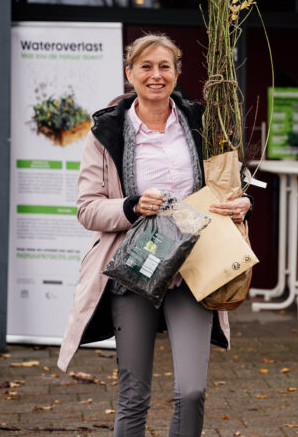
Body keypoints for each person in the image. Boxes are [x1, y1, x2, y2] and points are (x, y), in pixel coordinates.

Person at [57, 33, 252, 437]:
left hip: (195, 268)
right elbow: (86, 207)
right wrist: (131, 206)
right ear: (130, 73)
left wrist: (240, 204)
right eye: (145, 66)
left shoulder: (203, 123)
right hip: (136, 270)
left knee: (193, 391)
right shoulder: (105, 132)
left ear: (178, 73)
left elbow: (229, 188)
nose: (156, 75)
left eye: (165, 66)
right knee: (133, 395)